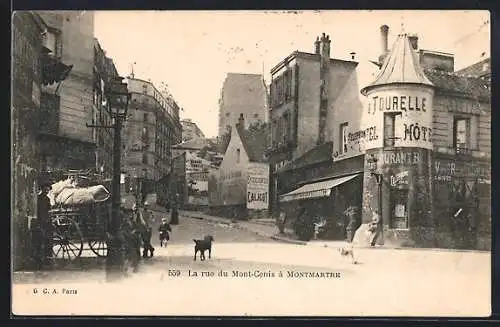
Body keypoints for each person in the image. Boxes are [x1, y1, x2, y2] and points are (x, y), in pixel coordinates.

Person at [35, 183, 52, 268]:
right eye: (45, 189)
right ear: (42, 189)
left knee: (47, 240)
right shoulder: (38, 199)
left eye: (48, 190)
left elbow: (49, 210)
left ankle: (46, 259)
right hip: (40, 221)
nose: (47, 191)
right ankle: (39, 260)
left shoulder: (48, 199)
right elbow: (37, 211)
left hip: (46, 221)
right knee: (40, 240)